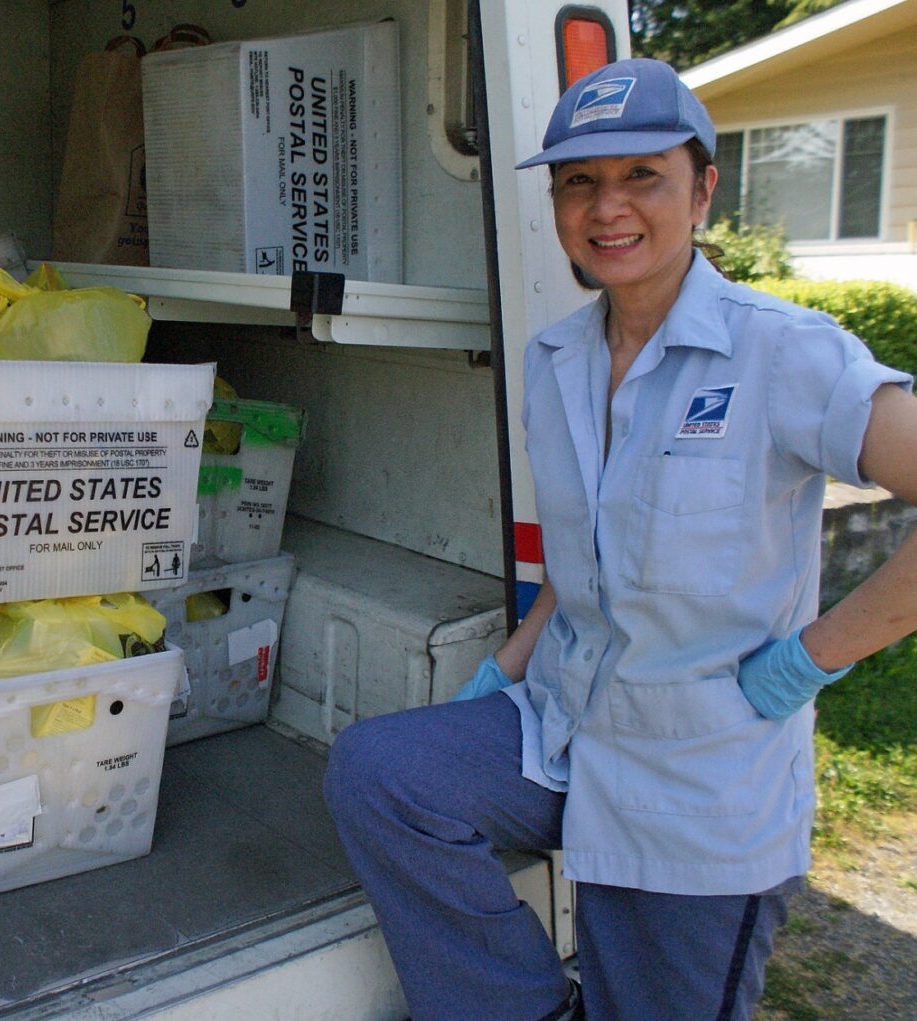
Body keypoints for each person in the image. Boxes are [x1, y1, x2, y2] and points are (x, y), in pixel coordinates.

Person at [323, 57, 917, 1021]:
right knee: (381, 774)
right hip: (564, 728)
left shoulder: (784, 349)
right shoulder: (556, 357)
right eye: (580, 182)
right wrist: (510, 670)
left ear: (704, 188)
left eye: (644, 174)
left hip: (696, 784)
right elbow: (578, 558)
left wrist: (810, 661)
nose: (610, 208)